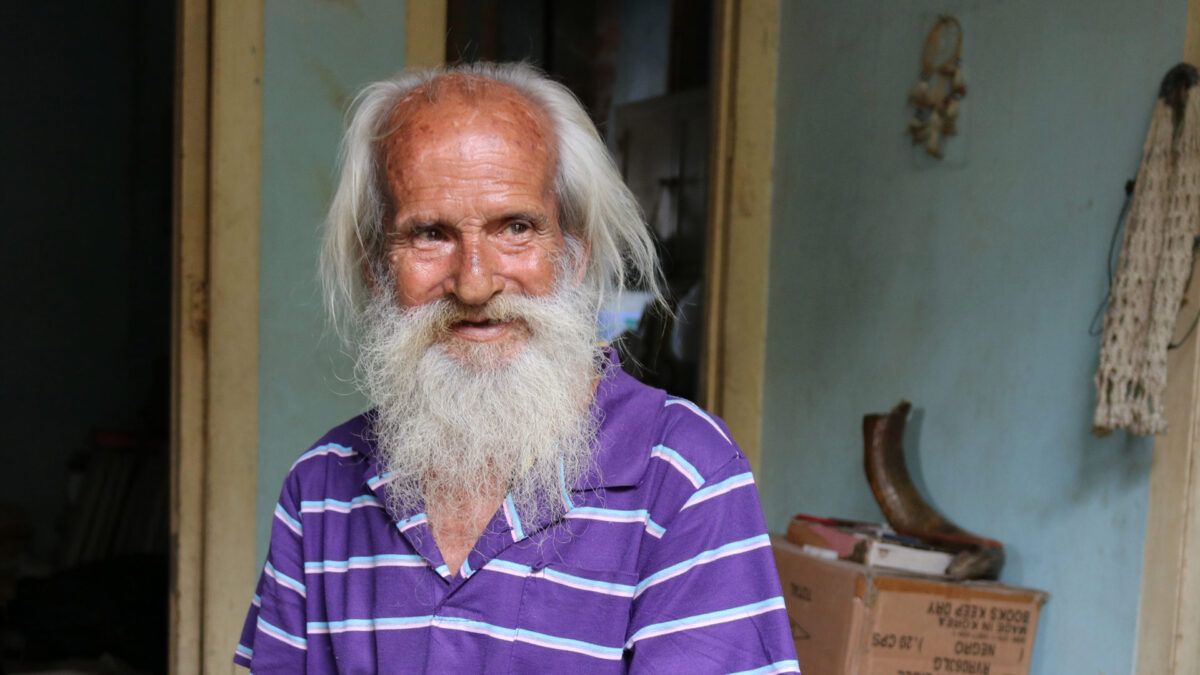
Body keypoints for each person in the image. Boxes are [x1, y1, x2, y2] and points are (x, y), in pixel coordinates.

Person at [234, 62, 799, 674]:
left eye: (516, 228)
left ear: (574, 254)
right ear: (377, 268)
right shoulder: (320, 491)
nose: (474, 283)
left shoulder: (684, 476)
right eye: (429, 233)